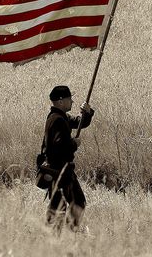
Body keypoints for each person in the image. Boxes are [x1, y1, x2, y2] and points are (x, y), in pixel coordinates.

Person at [43, 85, 94, 233]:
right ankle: (71, 233)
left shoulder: (60, 117)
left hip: (56, 170)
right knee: (77, 202)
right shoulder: (57, 120)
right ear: (60, 101)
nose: (72, 101)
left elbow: (80, 123)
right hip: (60, 171)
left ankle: (55, 236)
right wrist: (74, 143)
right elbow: (59, 146)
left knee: (58, 206)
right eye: (69, 99)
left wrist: (87, 112)